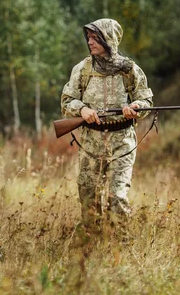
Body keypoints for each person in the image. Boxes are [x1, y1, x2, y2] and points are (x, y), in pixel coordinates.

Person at [60, 18, 153, 227]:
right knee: (88, 196)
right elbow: (66, 101)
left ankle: (121, 248)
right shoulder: (82, 69)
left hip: (122, 142)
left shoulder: (130, 70)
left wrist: (136, 108)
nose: (90, 42)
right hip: (90, 141)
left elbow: (145, 100)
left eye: (95, 38)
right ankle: (92, 243)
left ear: (108, 39)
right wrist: (82, 110)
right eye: (89, 38)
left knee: (117, 196)